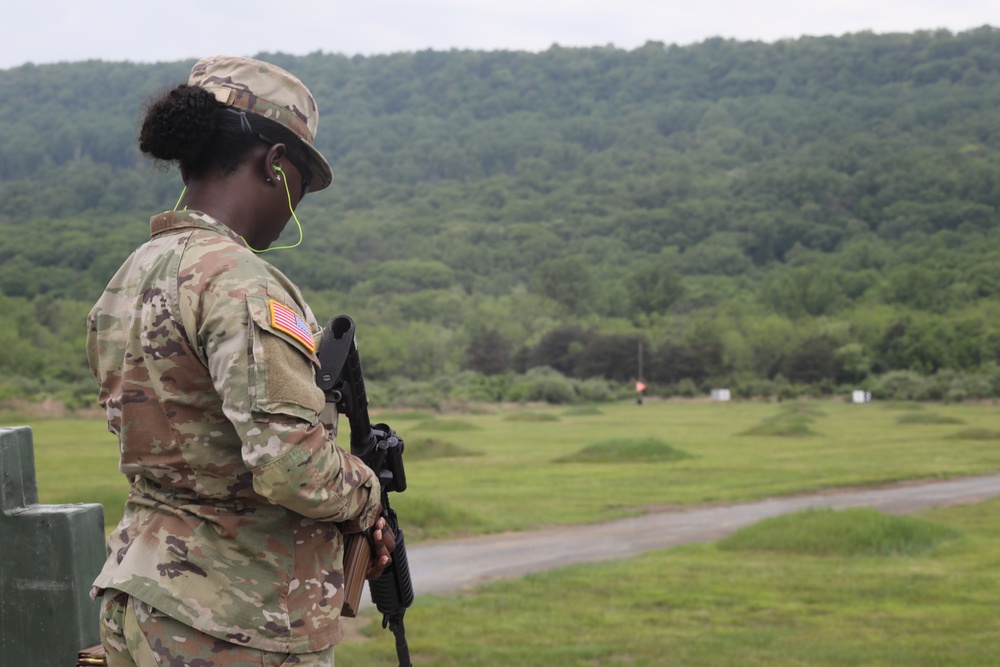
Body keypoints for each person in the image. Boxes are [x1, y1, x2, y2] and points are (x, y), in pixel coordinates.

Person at [86, 55, 394, 667]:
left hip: (143, 596)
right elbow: (293, 468)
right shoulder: (240, 282)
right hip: (236, 620)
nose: (297, 205)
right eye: (303, 181)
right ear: (276, 164)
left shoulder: (132, 276)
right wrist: (367, 490)